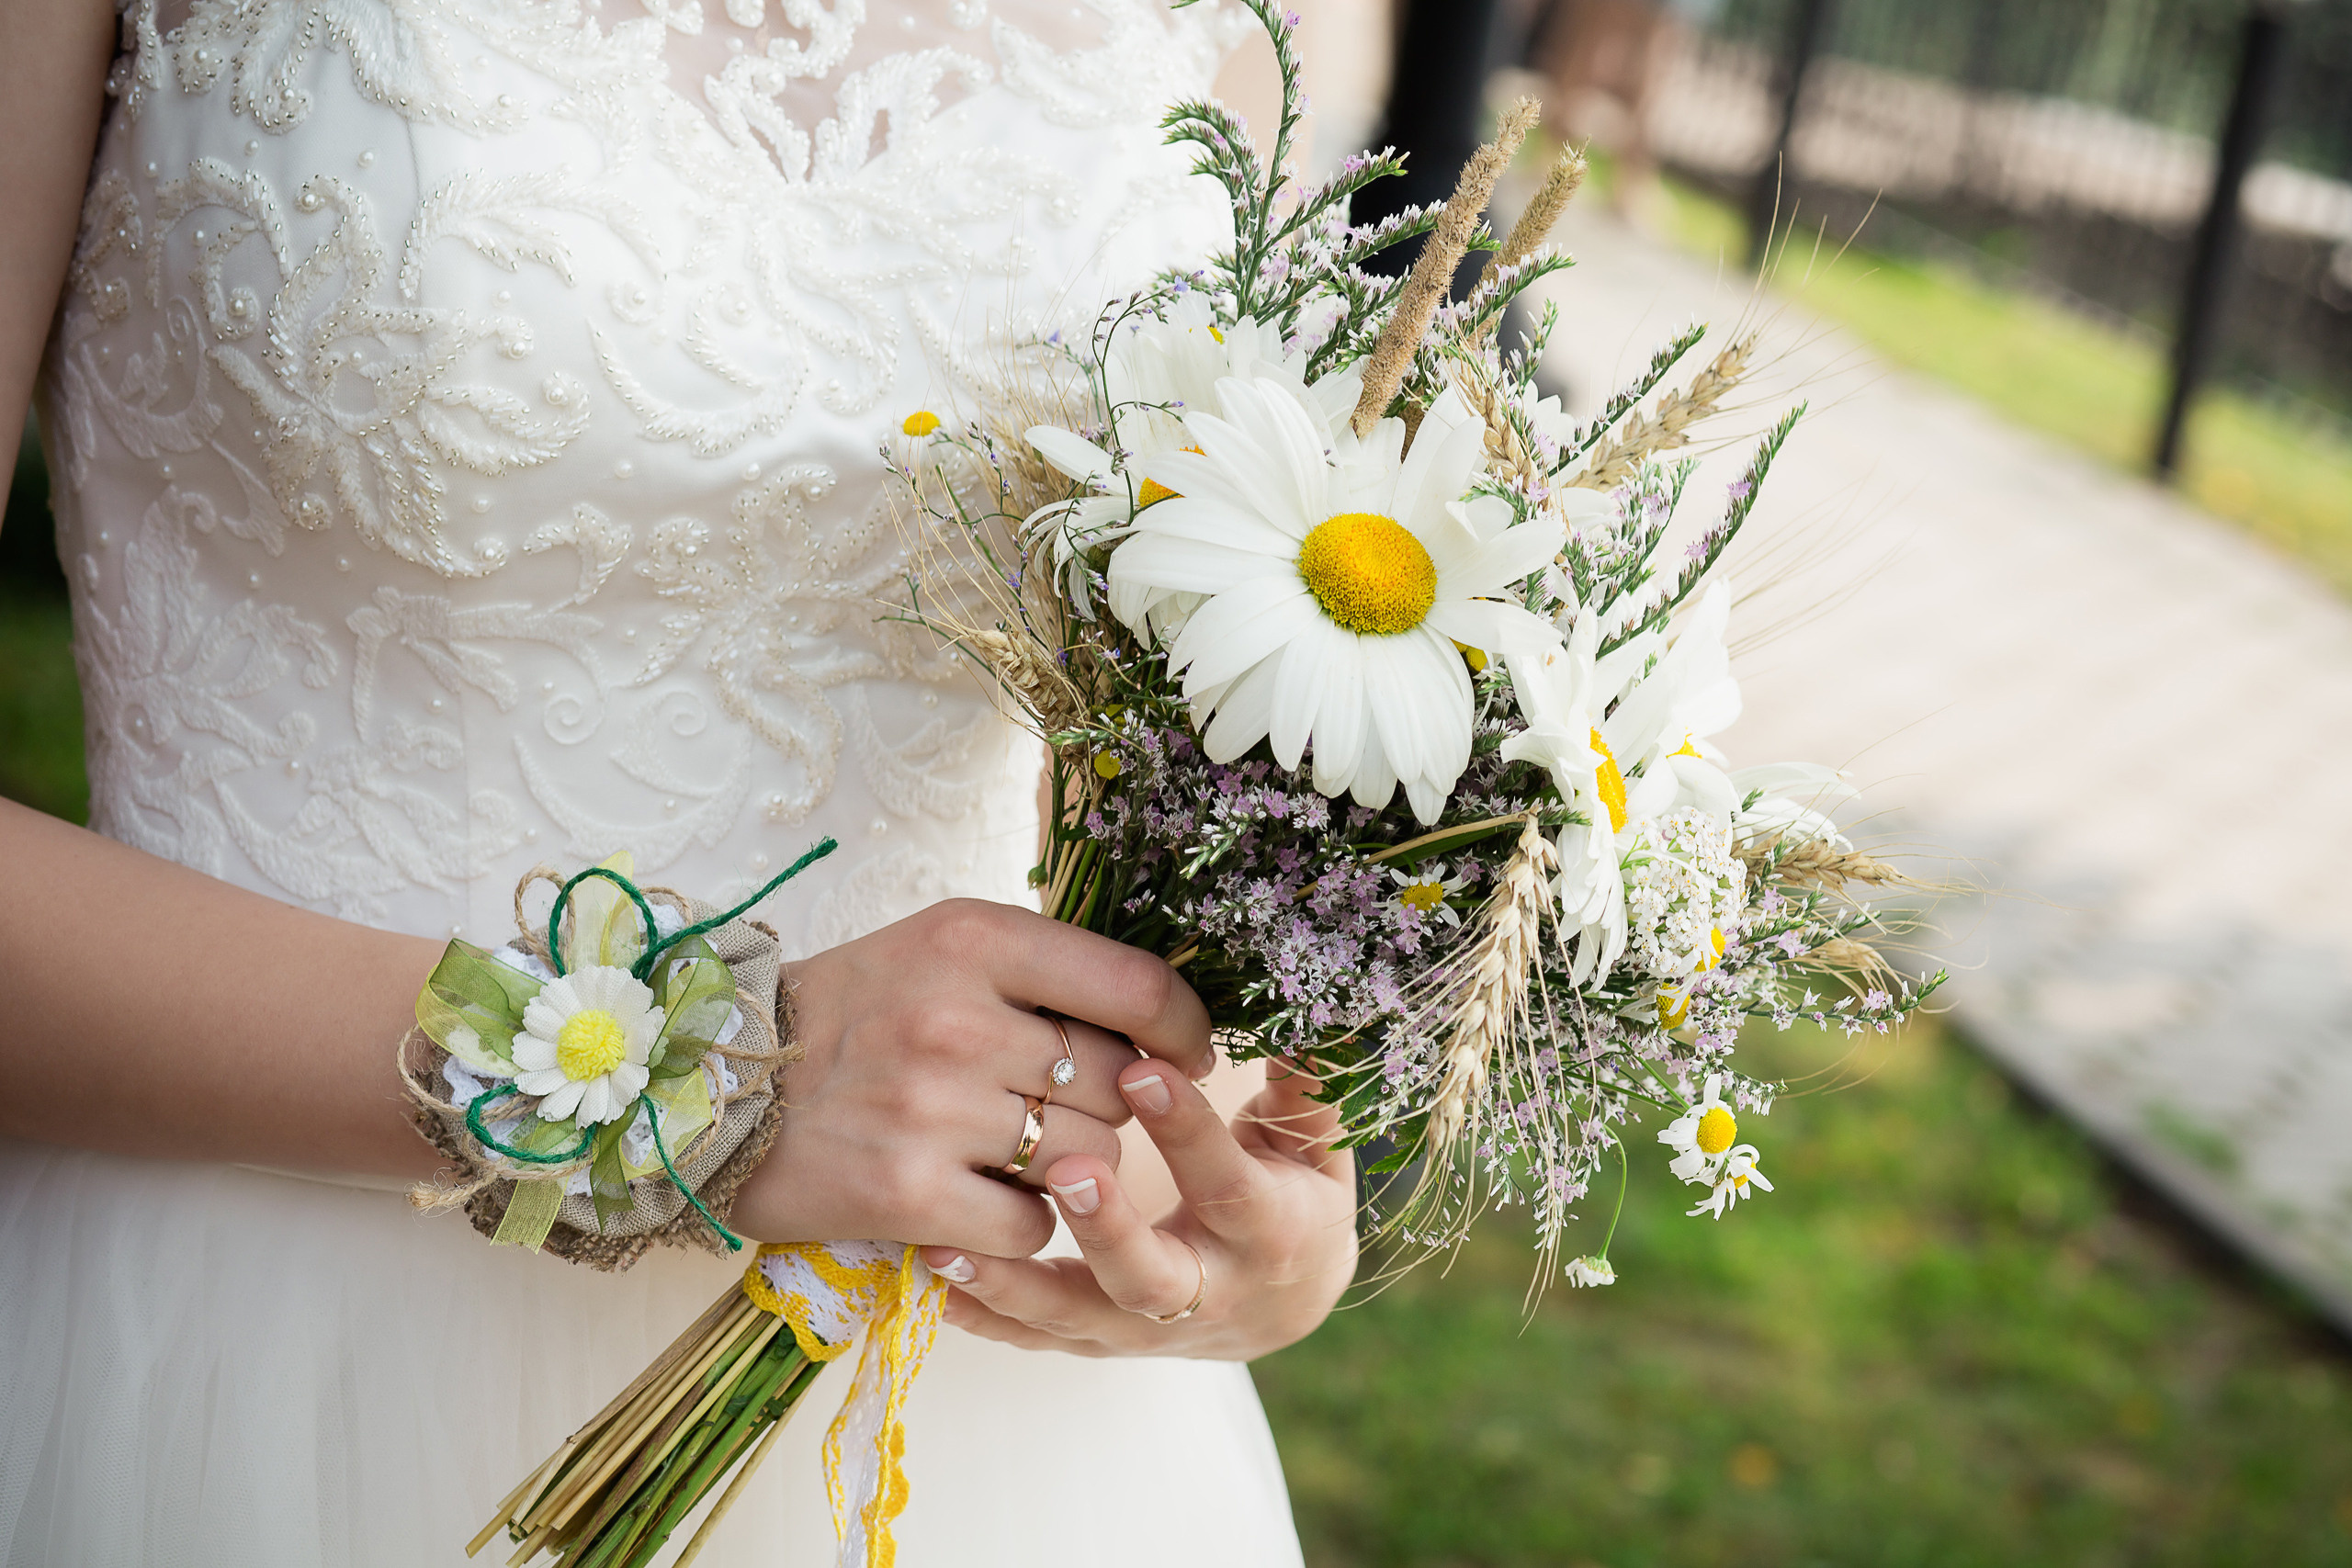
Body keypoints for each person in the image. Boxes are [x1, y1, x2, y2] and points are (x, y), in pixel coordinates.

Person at [0, 2, 1357, 1562]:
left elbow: (1129, 754)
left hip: (971, 1399)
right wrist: (691, 1090)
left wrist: (1232, 1193)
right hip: (248, 1349)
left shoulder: (1234, 22)